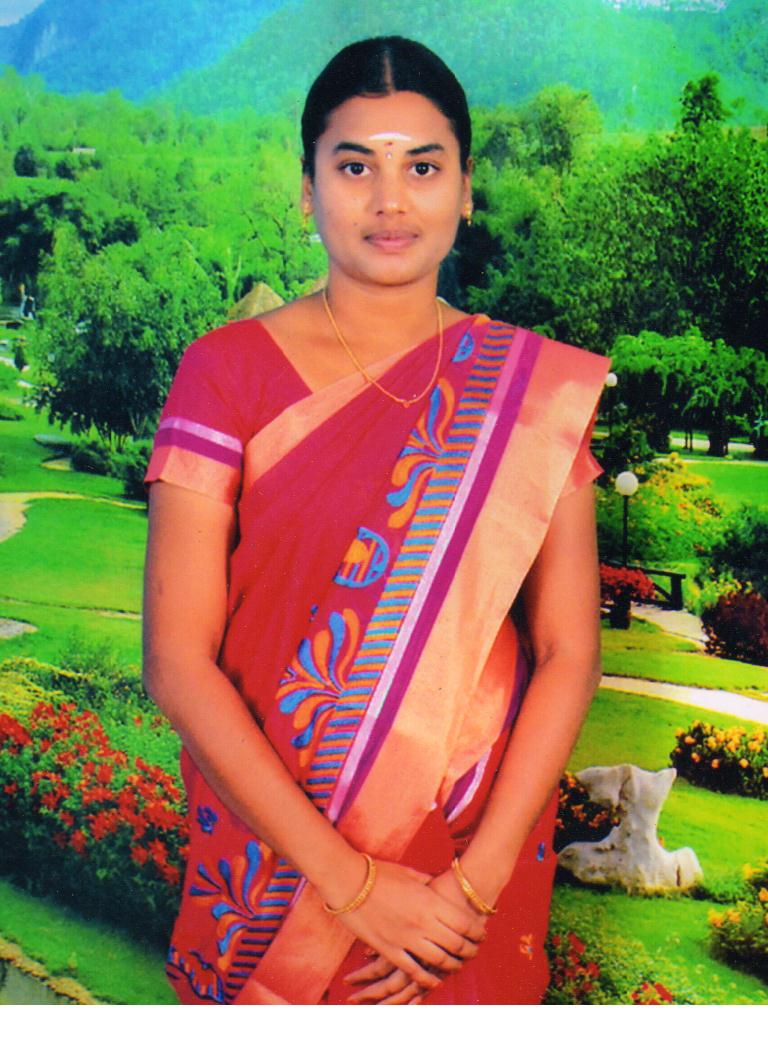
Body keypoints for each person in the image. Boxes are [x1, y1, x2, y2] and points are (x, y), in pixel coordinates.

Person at [142, 35, 609, 1006]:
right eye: (355, 166)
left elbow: (569, 651)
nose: (390, 200)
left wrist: (468, 892)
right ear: (307, 189)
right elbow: (177, 661)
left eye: (423, 167)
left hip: (465, 883)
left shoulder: (530, 396)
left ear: (466, 190)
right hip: (278, 879)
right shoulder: (225, 372)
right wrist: (353, 887)